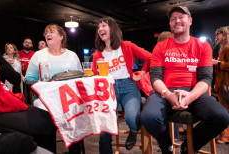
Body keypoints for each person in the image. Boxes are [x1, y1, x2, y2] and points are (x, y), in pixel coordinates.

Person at [140, 6, 229, 154]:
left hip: (193, 92)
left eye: (181, 17)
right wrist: (168, 94)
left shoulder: (202, 46)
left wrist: (191, 96)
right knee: (148, 117)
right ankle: (166, 144)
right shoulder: (160, 47)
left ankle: (189, 146)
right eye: (173, 19)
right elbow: (155, 76)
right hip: (165, 90)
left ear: (190, 21)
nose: (177, 21)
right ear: (170, 24)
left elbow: (206, 78)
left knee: (221, 117)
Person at [92, 17, 152, 153]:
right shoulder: (97, 55)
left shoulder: (126, 46)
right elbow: (96, 76)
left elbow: (150, 57)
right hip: (108, 90)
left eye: (104, 26)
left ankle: (133, 130)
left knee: (131, 117)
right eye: (98, 27)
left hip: (128, 86)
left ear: (112, 29)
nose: (100, 29)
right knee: (104, 126)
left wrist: (142, 74)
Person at [25, 23, 83, 154]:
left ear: (61, 36)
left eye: (51, 32)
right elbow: (28, 80)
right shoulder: (38, 55)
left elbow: (81, 78)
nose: (47, 34)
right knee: (45, 123)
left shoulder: (72, 55)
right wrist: (45, 86)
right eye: (46, 33)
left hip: (69, 99)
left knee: (76, 120)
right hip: (46, 100)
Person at [0, 50, 57, 153]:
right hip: (0, 108)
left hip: (5, 100)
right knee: (38, 125)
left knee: (47, 118)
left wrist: (1, 69)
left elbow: (16, 79)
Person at [212, 26, 229, 144]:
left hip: (226, 84)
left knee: (224, 110)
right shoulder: (222, 48)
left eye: (218, 35)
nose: (216, 37)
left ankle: (225, 136)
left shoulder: (227, 48)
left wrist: (217, 62)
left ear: (224, 35)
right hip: (222, 84)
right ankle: (224, 136)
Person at [18, 37, 35, 104]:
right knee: (23, 95)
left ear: (32, 45)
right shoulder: (17, 53)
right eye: (26, 42)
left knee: (31, 96)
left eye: (29, 43)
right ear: (23, 44)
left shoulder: (35, 54)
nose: (28, 44)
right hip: (20, 78)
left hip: (31, 79)